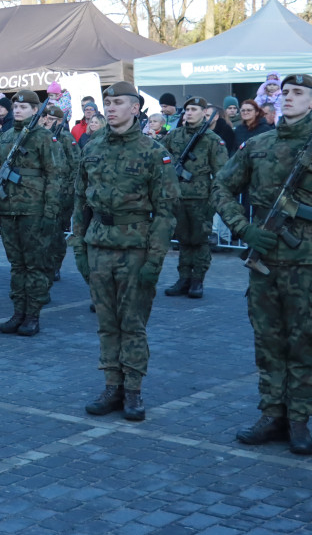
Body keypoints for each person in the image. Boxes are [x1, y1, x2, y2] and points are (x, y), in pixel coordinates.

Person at [213, 72, 312, 455]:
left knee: (304, 343)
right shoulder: (258, 145)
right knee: (268, 342)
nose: (287, 98)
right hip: (265, 263)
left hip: (306, 265)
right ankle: (272, 414)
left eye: (297, 93)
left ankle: (300, 418)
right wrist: (243, 229)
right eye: (284, 92)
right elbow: (220, 187)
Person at [73, 81, 180, 421]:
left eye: (118, 102)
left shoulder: (152, 151)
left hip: (135, 249)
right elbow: (80, 202)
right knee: (106, 323)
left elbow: (166, 211)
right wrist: (78, 246)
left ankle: (133, 389)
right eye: (108, 102)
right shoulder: (91, 147)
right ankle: (111, 384)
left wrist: (155, 260)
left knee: (132, 324)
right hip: (99, 245)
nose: (111, 107)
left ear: (135, 108)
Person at [0, 90, 63, 336]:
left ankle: (32, 315)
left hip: (34, 211)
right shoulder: (5, 137)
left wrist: (50, 212)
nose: (17, 110)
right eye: (16, 106)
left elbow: (54, 175)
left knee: (34, 265)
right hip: (9, 210)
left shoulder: (43, 138)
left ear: (36, 110)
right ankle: (18, 312)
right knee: (17, 265)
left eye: (24, 107)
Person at [161, 97, 228, 299]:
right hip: (179, 195)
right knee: (183, 240)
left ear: (203, 112)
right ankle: (183, 278)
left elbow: (222, 172)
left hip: (201, 197)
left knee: (199, 240)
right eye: (187, 109)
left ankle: (197, 280)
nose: (189, 113)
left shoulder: (212, 140)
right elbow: (160, 153)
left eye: (194, 109)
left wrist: (215, 199)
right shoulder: (176, 135)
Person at [40, 106, 79, 285]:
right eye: (46, 117)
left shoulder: (66, 138)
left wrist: (68, 191)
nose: (48, 120)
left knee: (56, 234)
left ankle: (55, 265)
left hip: (62, 193)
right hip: (43, 192)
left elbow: (76, 165)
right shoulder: (42, 136)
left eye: (51, 118)